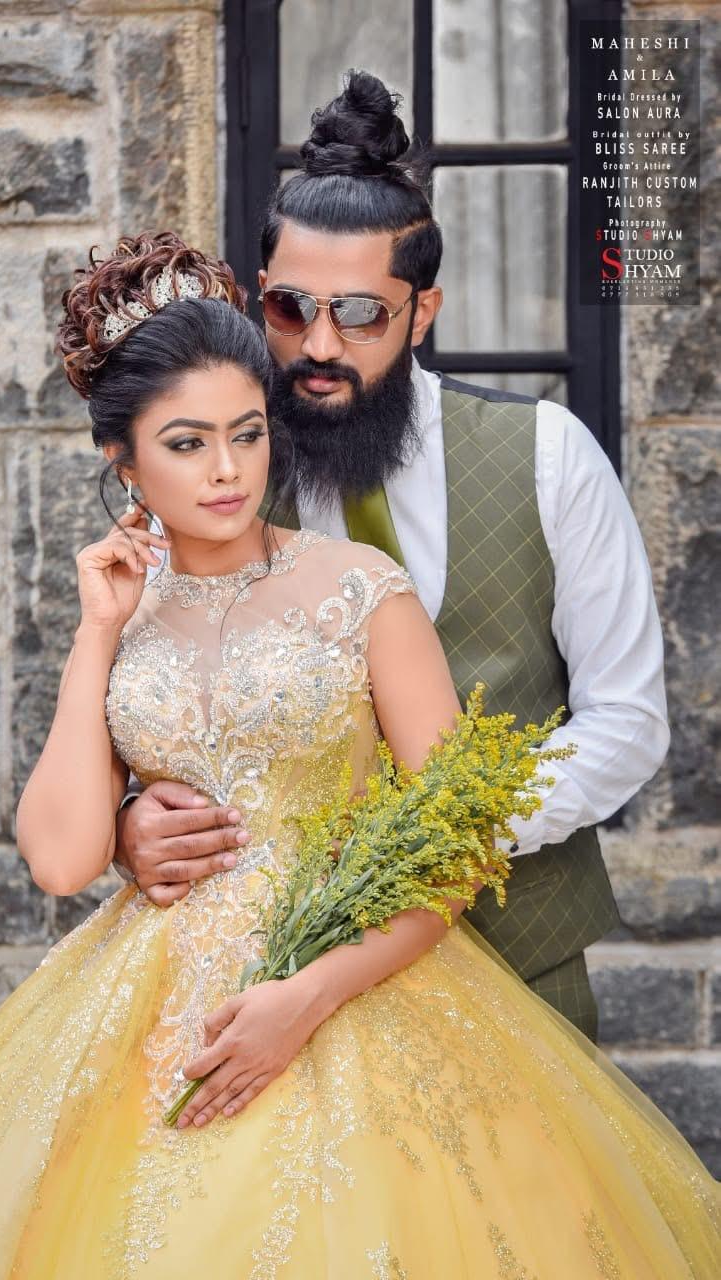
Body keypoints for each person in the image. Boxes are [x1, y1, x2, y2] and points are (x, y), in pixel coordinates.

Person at [0, 231, 717, 1279]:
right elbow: (59, 857)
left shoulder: (361, 588)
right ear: (121, 459)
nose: (228, 470)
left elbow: (451, 846)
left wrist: (305, 997)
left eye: (247, 433)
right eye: (186, 443)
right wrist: (95, 633)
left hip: (351, 989)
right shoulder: (122, 611)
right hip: (149, 1004)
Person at [113, 72, 669, 1043]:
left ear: (424, 309)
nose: (319, 344)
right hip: (266, 991)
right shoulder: (208, 475)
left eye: (362, 313)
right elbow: (144, 692)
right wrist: (130, 825)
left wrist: (437, 836)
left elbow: (625, 718)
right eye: (289, 307)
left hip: (521, 966)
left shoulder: (548, 456)